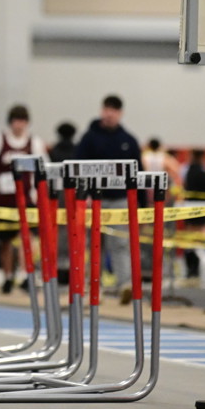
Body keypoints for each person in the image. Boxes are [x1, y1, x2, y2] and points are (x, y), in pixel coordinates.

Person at [74, 94, 143, 304]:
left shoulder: (128, 140)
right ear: (101, 110)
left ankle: (125, 286)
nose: (109, 114)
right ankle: (95, 287)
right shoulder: (88, 138)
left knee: (121, 244)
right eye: (106, 109)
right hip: (95, 200)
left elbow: (138, 173)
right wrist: (83, 196)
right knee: (94, 246)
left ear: (120, 113)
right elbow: (78, 168)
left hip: (120, 200)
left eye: (114, 110)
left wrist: (141, 205)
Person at [0, 104, 48, 293]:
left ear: (27, 123)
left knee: (28, 237)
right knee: (4, 241)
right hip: (3, 201)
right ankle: (8, 276)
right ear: (11, 122)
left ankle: (25, 274)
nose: (19, 125)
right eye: (16, 120)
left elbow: (43, 172)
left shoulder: (35, 143)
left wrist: (40, 197)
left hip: (26, 199)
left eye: (22, 121)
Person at [181, 149, 205, 282]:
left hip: (190, 212)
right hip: (201, 214)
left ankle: (192, 270)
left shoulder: (188, 171)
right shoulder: (202, 172)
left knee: (190, 243)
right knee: (199, 243)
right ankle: (195, 270)